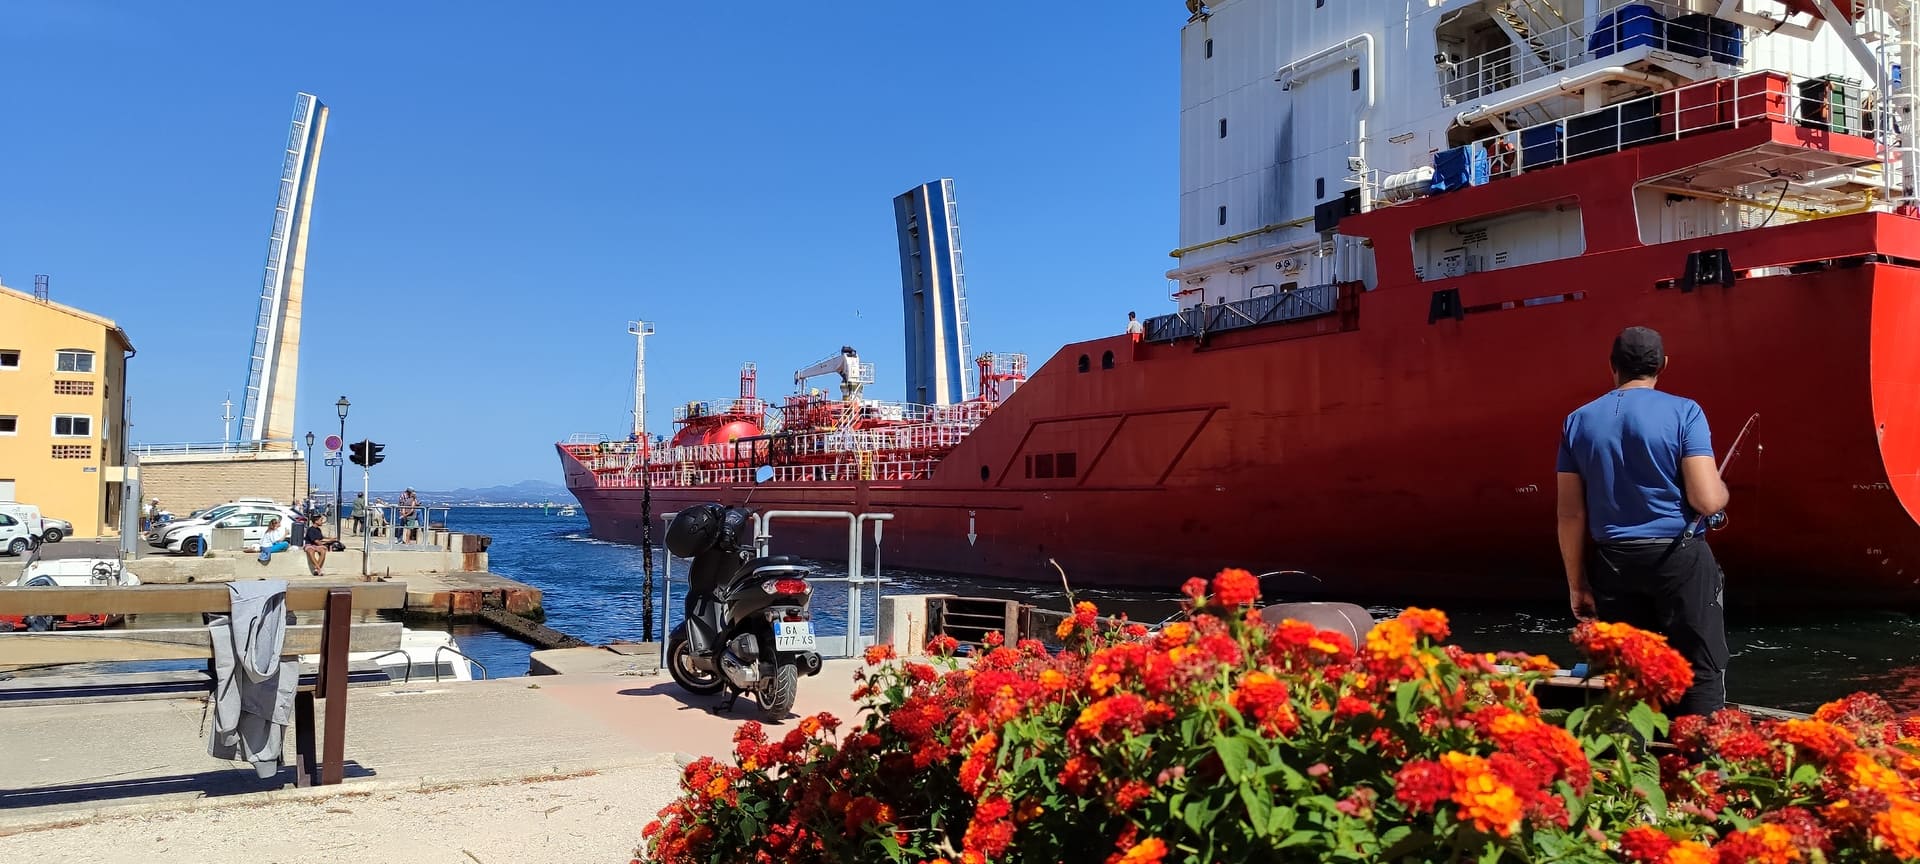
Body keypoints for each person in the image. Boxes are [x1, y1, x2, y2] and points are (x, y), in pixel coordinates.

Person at [1556, 326, 1731, 719]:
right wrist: (1722, 492)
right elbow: (1705, 498)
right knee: (1700, 669)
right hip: (1679, 557)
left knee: (1628, 676)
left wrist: (1577, 584)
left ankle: (1629, 769)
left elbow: (1570, 513)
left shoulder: (1577, 421)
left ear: (1612, 367)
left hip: (1613, 562)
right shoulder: (1685, 411)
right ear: (1663, 365)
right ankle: (1700, 766)